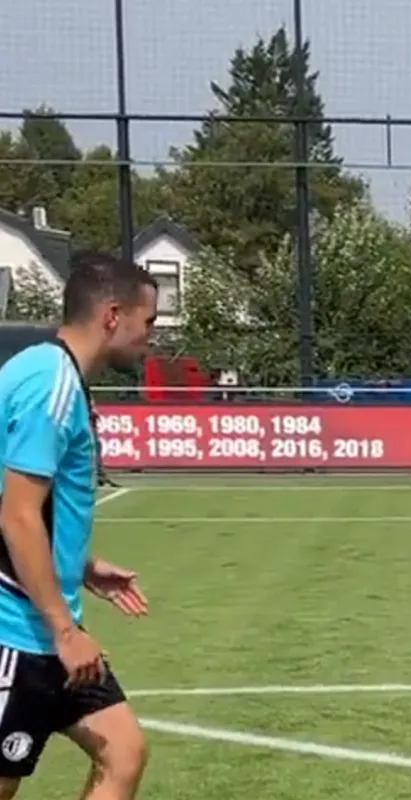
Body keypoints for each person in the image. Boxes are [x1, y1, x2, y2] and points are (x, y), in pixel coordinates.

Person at [0, 251, 156, 799]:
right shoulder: (51, 385)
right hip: (17, 630)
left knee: (124, 751)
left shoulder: (52, 371)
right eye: (149, 321)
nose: (151, 335)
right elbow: (16, 514)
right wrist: (65, 630)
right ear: (113, 314)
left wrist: (80, 564)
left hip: (45, 625)